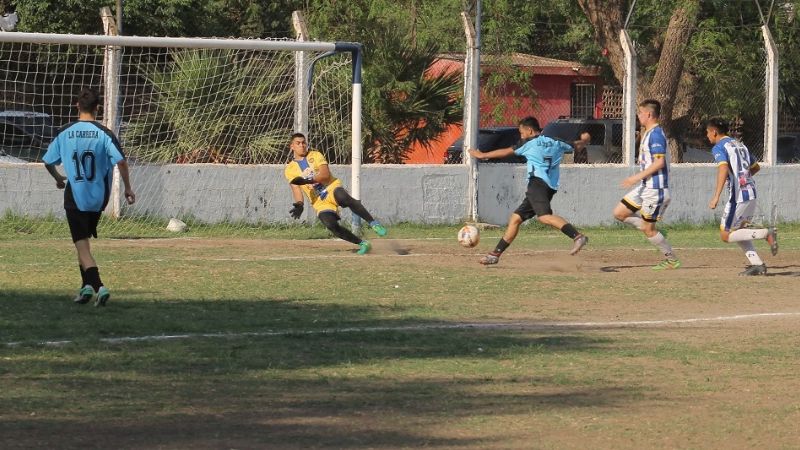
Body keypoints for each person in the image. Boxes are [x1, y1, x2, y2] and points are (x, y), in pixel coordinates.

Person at [43, 87, 135, 306]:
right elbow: (121, 162)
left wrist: (58, 177)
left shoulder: (65, 131)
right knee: (82, 243)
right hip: (98, 198)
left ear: (77, 106)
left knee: (81, 246)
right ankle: (85, 288)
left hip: (75, 196)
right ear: (97, 108)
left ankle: (99, 286)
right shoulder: (105, 133)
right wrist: (128, 188)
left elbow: (48, 161)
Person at [468, 116, 589, 265]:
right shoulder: (556, 142)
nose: (521, 136)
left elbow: (506, 151)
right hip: (549, 186)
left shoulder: (529, 143)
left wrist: (483, 155)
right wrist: (584, 140)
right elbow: (576, 145)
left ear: (530, 130)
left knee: (544, 217)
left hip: (537, 184)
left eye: (521, 132)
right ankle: (495, 254)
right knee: (516, 219)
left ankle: (577, 236)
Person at [284, 133, 386, 254]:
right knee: (330, 224)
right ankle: (363, 243)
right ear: (292, 146)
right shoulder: (289, 169)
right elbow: (296, 189)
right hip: (318, 201)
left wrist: (308, 180)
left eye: (304, 142)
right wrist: (300, 204)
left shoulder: (315, 155)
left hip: (331, 187)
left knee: (344, 197)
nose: (302, 145)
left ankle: (374, 223)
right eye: (298, 143)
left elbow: (325, 175)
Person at [613, 99, 680, 270]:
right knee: (620, 213)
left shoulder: (656, 134)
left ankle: (671, 259)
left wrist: (635, 177)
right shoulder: (647, 133)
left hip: (655, 190)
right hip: (644, 187)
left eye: (640, 113)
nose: (638, 116)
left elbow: (659, 163)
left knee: (649, 230)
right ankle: (649, 228)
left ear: (648, 114)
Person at [706, 117, 778, 276]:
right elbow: (756, 167)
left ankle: (766, 233)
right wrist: (742, 177)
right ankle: (757, 264)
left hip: (738, 197)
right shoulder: (740, 145)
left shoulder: (719, 147)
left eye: (707, 132)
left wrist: (716, 196)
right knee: (738, 231)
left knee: (725, 234)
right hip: (751, 192)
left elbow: (723, 169)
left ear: (714, 132)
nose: (707, 136)